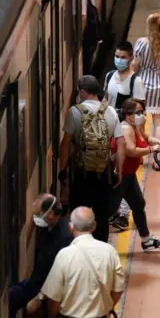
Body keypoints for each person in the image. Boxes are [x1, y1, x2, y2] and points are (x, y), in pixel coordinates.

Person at [7, 194, 71, 318]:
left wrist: (39, 299)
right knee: (10, 298)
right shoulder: (47, 229)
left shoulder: (64, 239)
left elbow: (58, 277)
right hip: (37, 283)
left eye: (38, 213)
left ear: (51, 214)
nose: (35, 218)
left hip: (51, 294)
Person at [58, 75, 120, 243]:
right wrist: (118, 171)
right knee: (101, 215)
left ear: (83, 92)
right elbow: (120, 144)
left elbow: (66, 143)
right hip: (104, 172)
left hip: (81, 173)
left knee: (79, 212)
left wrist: (62, 170)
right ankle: (100, 246)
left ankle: (79, 245)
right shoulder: (111, 111)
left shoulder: (75, 112)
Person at [110, 98, 160, 250]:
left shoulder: (135, 126)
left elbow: (147, 138)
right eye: (138, 112)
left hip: (129, 174)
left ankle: (146, 239)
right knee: (109, 210)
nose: (142, 115)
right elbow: (130, 150)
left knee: (138, 204)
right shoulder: (125, 128)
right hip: (120, 174)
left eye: (142, 112)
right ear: (128, 115)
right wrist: (151, 150)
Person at [104, 40, 147, 231]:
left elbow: (139, 111)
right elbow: (105, 101)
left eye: (123, 57)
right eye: (117, 56)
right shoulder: (109, 76)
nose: (119, 60)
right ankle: (117, 211)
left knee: (124, 170)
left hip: (123, 130)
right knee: (115, 170)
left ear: (130, 59)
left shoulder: (135, 81)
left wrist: (139, 133)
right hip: (110, 129)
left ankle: (121, 213)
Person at [133, 13, 160, 171]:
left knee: (139, 121)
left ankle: (140, 155)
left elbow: (135, 66)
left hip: (142, 85)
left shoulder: (141, 43)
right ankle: (157, 159)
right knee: (159, 123)